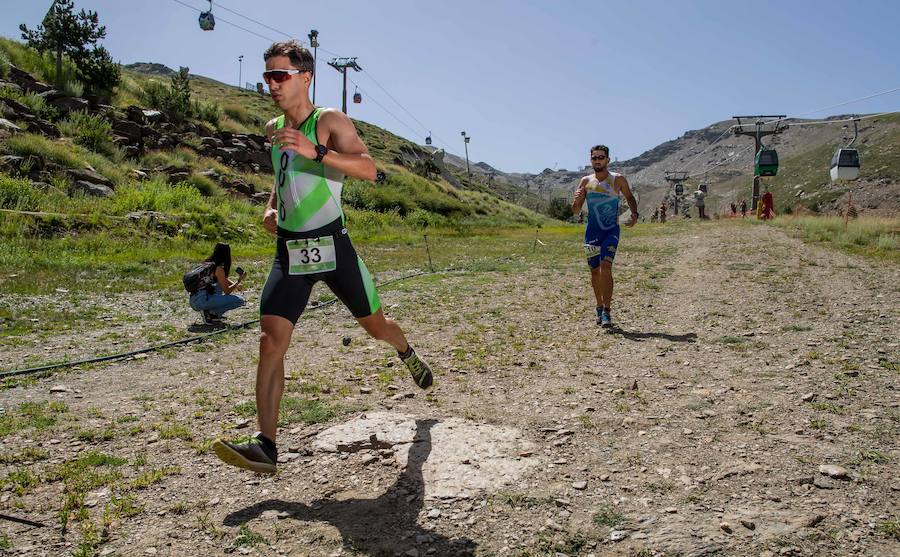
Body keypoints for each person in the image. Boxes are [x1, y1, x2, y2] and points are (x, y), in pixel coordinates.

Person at [212, 40, 433, 475]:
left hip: (332, 245)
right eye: (268, 76)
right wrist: (271, 206)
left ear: (305, 77)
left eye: (281, 75)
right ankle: (266, 446)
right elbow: (283, 174)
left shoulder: (328, 120)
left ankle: (406, 351)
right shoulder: (274, 126)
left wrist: (317, 151)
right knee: (270, 340)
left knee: (376, 327)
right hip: (291, 249)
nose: (272, 83)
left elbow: (369, 169)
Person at [572, 145, 638, 328]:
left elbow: (630, 197)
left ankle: (607, 311)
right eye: (594, 158)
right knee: (594, 271)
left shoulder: (618, 179)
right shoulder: (585, 181)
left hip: (611, 230)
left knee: (605, 267)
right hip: (592, 232)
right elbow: (576, 210)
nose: (598, 160)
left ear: (608, 160)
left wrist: (634, 214)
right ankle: (599, 307)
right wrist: (576, 201)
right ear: (591, 160)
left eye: (601, 157)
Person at [188, 242, 246, 324]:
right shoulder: (219, 269)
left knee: (218, 285)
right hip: (202, 301)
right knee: (240, 300)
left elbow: (223, 279)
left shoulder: (206, 264)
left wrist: (235, 285)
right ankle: (212, 313)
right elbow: (227, 291)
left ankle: (210, 313)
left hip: (193, 300)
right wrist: (238, 280)